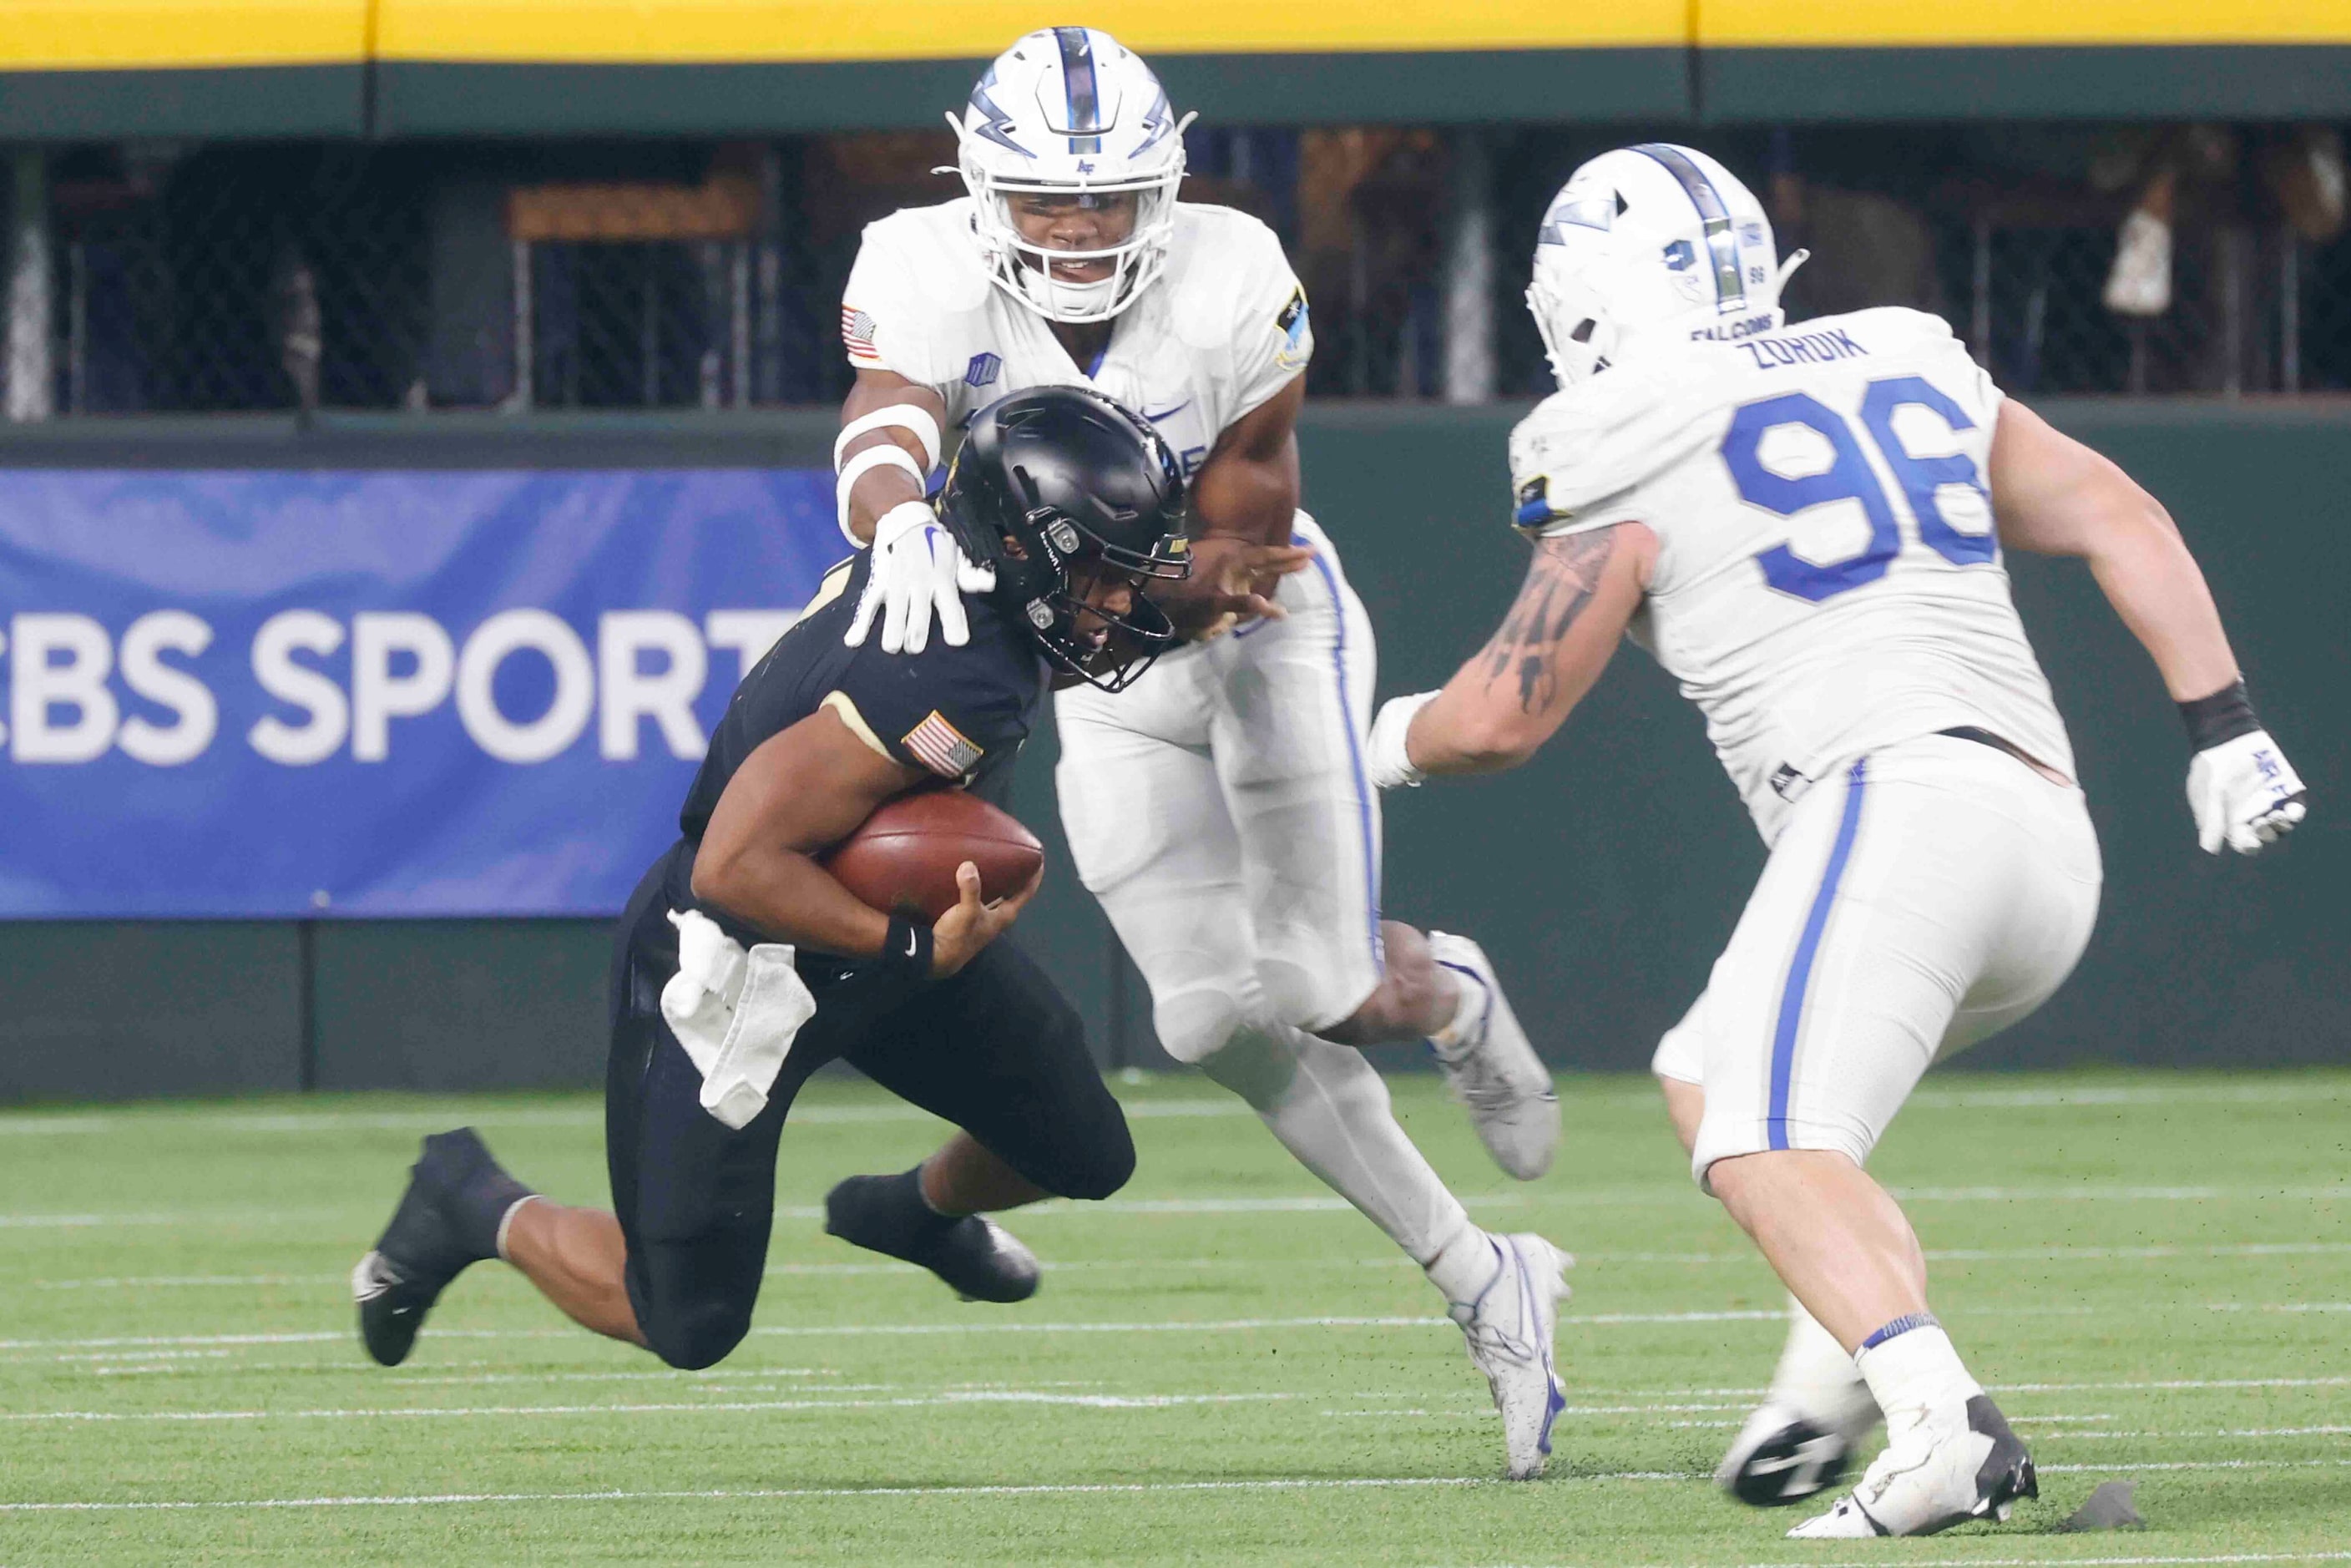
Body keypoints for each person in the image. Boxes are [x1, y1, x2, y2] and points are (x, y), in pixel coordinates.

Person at [1363, 143, 2309, 1536]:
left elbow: (1503, 715)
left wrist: (1369, 740)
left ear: (1578, 300)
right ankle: (1843, 1365)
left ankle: (1940, 1427)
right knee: (1706, 1070)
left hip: (1895, 806)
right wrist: (2223, 721)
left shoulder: (1616, 425)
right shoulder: (1904, 349)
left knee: (1762, 1127)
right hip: (2046, 846)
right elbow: (2119, 511)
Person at [825, 26, 1570, 1479]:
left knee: (1324, 987)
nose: (1083, 227)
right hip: (1097, 665)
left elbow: (1242, 537)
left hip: (1252, 630)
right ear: (982, 188)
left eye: (1108, 197)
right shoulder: (915, 261)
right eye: (1048, 198)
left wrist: (1081, 587)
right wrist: (900, 513)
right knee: (1206, 1020)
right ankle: (1490, 1278)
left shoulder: (1232, 273)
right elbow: (885, 417)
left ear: (1162, 188)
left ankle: (1451, 987)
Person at [353, 386, 1191, 1372]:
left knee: (1081, 1149)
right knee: (685, 1321)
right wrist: (912, 948)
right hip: (738, 960)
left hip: (886, 940)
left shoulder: (969, 588)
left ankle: (911, 1215)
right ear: (1017, 542)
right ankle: (470, 1200)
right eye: (1094, 569)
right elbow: (735, 864)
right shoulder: (951, 666)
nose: (1117, 601)